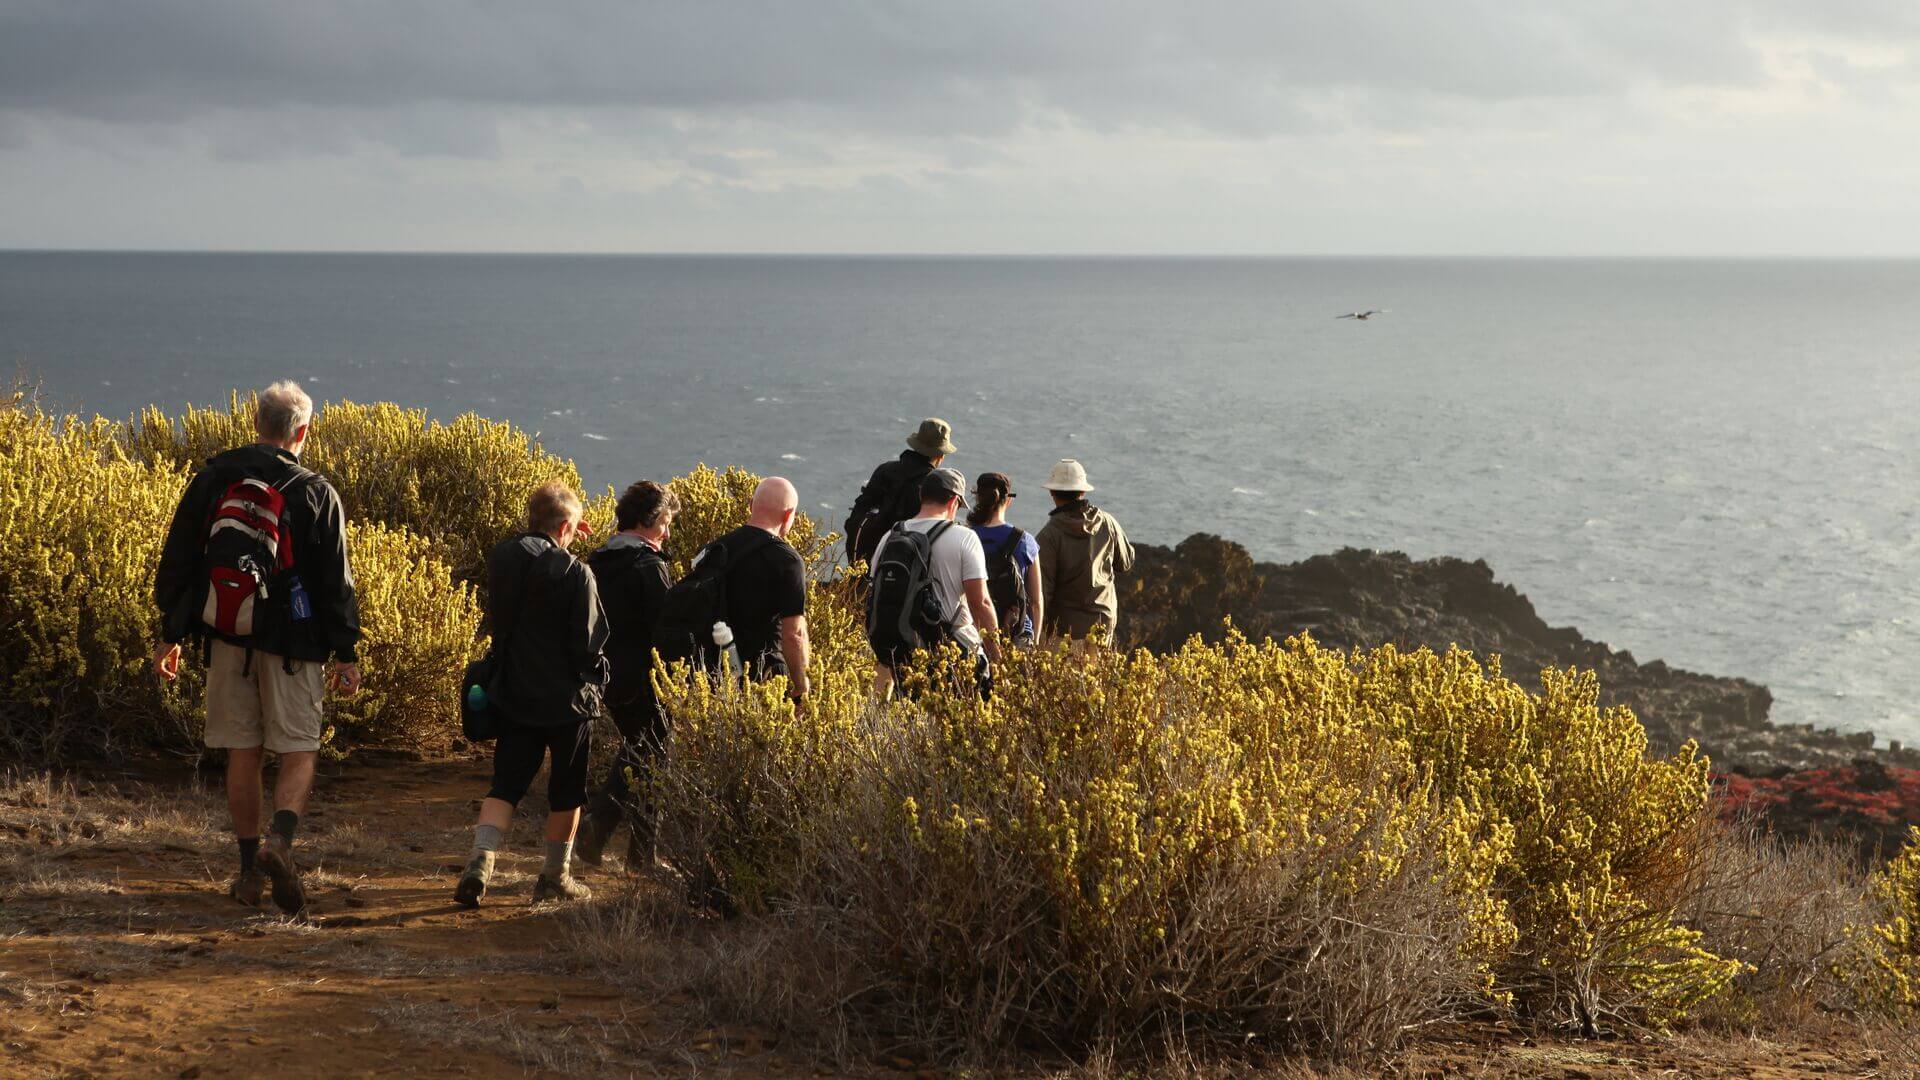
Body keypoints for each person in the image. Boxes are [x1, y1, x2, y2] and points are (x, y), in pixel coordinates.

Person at [152, 380, 362, 916]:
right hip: (295, 643)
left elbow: (179, 558)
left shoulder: (216, 475)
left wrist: (170, 634)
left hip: (227, 632)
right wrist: (346, 652)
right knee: (298, 749)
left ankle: (248, 872)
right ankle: (281, 842)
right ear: (303, 430)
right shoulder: (317, 492)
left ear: (254, 422)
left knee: (241, 752)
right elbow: (335, 582)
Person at [455, 482, 608, 907]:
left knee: (504, 784)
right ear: (564, 526)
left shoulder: (503, 557)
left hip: (514, 693)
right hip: (567, 703)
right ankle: (555, 877)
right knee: (567, 791)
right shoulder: (577, 572)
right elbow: (588, 644)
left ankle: (479, 864)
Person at [577, 480, 679, 869]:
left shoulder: (598, 559)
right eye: (665, 523)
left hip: (605, 676)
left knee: (640, 749)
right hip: (643, 678)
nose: (666, 533)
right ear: (649, 520)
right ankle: (639, 854)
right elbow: (664, 628)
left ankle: (598, 832)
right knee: (654, 756)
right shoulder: (649, 567)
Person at [869, 468, 1002, 697]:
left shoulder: (890, 536)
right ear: (954, 500)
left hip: (904, 653)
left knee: (912, 723)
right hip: (954, 652)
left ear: (922, 495)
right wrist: (998, 656)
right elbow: (980, 602)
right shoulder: (964, 537)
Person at [710, 477, 811, 699]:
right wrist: (801, 687)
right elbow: (794, 634)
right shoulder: (787, 561)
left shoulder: (716, 549)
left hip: (713, 673)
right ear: (788, 514)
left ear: (750, 505)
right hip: (765, 676)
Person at [1036, 459, 1136, 645]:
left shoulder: (1048, 536)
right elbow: (1126, 561)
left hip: (1064, 630)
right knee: (1096, 674)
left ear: (1052, 493)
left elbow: (1043, 592)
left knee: (1065, 675)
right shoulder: (1107, 522)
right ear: (1083, 491)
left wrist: (1038, 633)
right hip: (1103, 622)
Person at [844, 418, 956, 567]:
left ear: (916, 445)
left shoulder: (884, 470)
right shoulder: (933, 483)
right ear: (941, 456)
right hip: (902, 565)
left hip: (863, 558)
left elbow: (859, 509)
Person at [966, 471, 1043, 645]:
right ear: (1008, 500)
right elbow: (1036, 600)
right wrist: (1035, 640)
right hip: (1018, 633)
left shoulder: (965, 537)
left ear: (978, 498)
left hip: (975, 633)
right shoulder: (1025, 540)